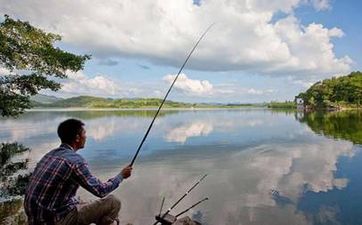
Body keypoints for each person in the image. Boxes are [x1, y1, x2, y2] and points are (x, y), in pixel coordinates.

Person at [24, 118, 132, 225]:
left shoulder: (49, 155)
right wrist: (121, 175)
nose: (86, 136)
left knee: (82, 200)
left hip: (35, 219)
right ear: (77, 138)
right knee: (113, 202)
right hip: (56, 221)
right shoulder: (75, 161)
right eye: (84, 133)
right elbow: (101, 190)